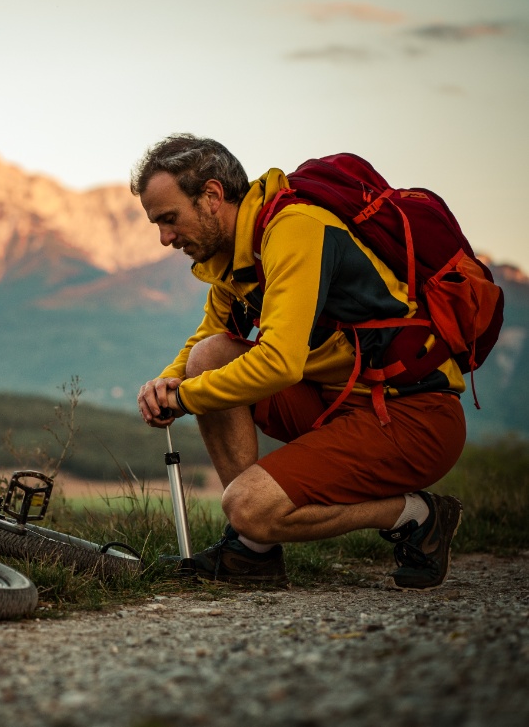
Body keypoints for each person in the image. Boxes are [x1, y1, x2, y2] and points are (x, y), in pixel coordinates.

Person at [132, 134, 466, 591]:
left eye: (169, 219)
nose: (165, 238)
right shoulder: (238, 255)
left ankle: (418, 514)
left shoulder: (295, 229)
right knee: (210, 356)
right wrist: (167, 383)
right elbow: (205, 342)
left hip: (413, 416)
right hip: (342, 403)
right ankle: (254, 552)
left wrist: (187, 398)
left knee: (248, 505)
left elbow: (279, 365)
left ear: (212, 196)